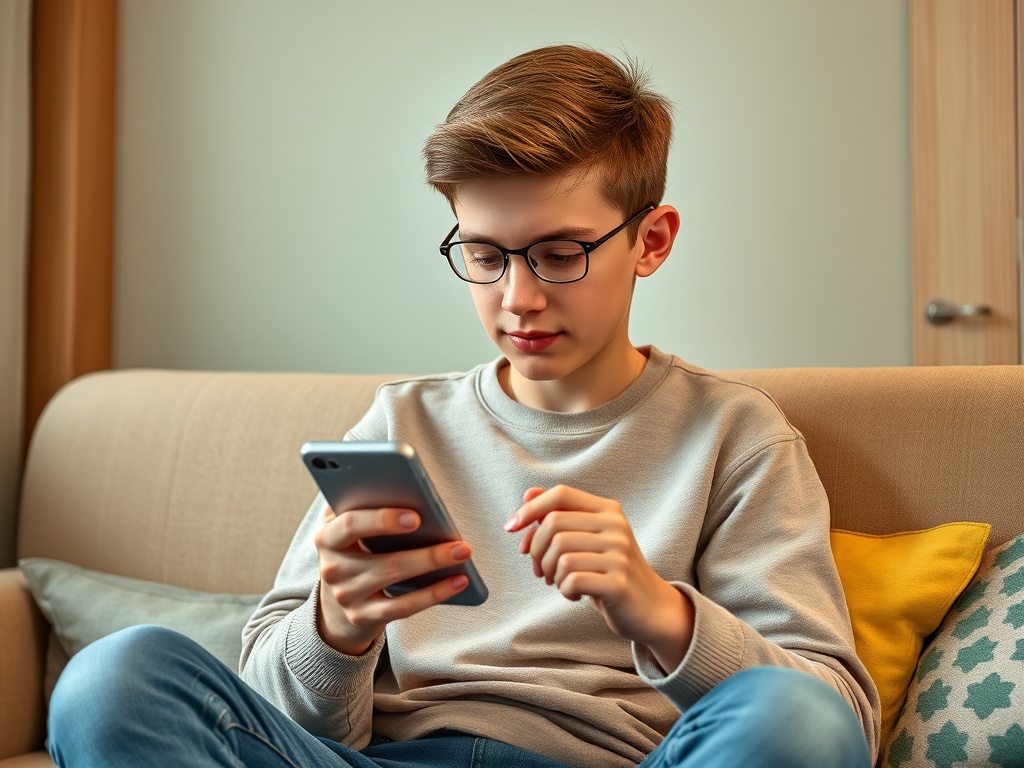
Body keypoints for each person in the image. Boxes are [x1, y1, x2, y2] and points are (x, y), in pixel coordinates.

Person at [47, 44, 879, 768]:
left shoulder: (736, 435)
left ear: (650, 241)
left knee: (794, 718)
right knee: (112, 682)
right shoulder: (400, 425)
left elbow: (834, 720)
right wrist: (337, 627)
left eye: (559, 254)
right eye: (484, 255)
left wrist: (658, 611)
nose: (516, 298)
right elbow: (275, 710)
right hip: (397, 759)